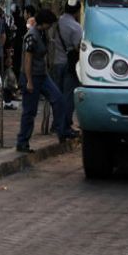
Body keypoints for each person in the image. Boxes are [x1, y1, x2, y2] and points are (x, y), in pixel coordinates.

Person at [16, 9, 77, 153]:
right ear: (44, 23)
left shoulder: (43, 34)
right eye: (49, 24)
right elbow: (28, 59)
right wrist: (29, 80)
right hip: (32, 75)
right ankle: (22, 141)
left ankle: (62, 130)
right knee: (29, 110)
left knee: (59, 99)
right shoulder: (31, 36)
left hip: (42, 75)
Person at [54, 2, 82, 134]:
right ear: (77, 11)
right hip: (70, 64)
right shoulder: (76, 27)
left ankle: (56, 123)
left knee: (57, 95)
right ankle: (65, 126)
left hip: (56, 62)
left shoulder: (56, 23)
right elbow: (79, 47)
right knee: (69, 96)